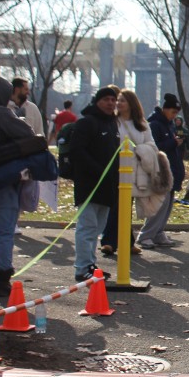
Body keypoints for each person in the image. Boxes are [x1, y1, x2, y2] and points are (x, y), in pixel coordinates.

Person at [0, 75, 39, 298]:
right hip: (1, 180)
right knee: (4, 232)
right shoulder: (1, 113)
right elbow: (28, 134)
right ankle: (2, 279)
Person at [70, 87, 120, 282]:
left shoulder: (112, 125)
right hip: (89, 186)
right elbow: (77, 151)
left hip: (108, 187)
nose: (110, 103)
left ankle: (91, 264)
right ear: (97, 101)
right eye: (106, 99)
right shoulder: (86, 123)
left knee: (97, 229)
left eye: (113, 100)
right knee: (87, 228)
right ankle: (82, 268)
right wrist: (99, 171)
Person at [99, 89, 156, 256]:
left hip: (135, 170)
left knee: (126, 205)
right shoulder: (113, 122)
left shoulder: (142, 124)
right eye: (118, 100)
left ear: (131, 103)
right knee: (115, 204)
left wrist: (142, 151)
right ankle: (109, 241)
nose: (118, 103)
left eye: (122, 100)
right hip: (115, 168)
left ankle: (127, 241)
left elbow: (151, 144)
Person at [138, 93, 185, 249]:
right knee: (159, 205)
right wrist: (173, 142)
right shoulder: (154, 125)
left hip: (171, 169)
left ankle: (158, 232)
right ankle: (146, 234)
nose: (174, 115)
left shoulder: (169, 125)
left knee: (168, 205)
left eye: (176, 113)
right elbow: (155, 147)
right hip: (160, 170)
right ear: (165, 109)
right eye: (173, 112)